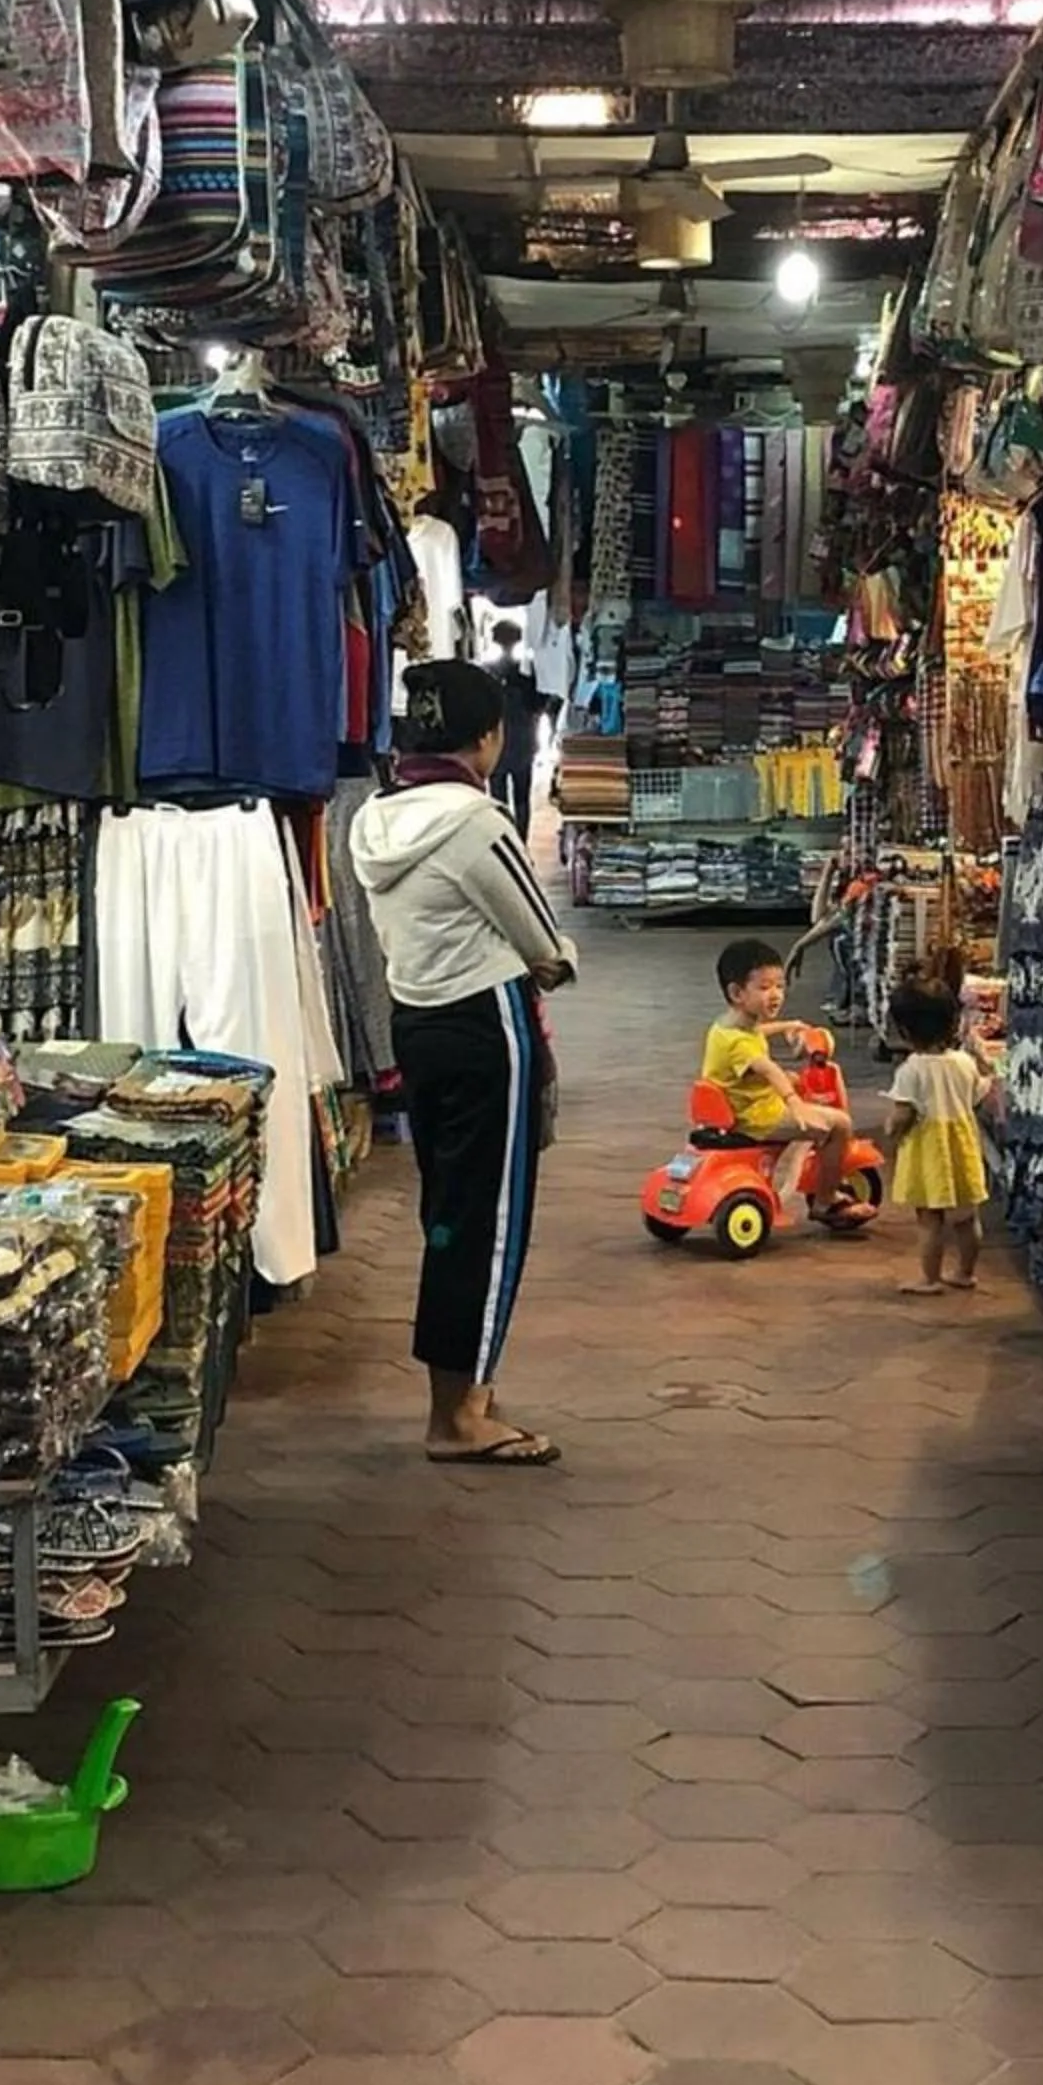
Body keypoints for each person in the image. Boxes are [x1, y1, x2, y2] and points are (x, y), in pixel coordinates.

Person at [350, 660, 577, 1466]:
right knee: (490, 1218)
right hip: (486, 1025)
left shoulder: (373, 818)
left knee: (449, 1213)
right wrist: (554, 963)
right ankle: (459, 1414)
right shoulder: (477, 823)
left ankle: (462, 1389)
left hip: (416, 1021)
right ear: (489, 737)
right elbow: (542, 941)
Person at [701, 938, 873, 1231]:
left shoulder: (727, 1026)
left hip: (738, 1104)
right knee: (840, 1125)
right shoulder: (741, 1044)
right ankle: (825, 1201)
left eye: (780, 986)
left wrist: (788, 1025)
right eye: (765, 987)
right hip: (756, 1116)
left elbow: (756, 1033)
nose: (776, 995)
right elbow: (768, 1069)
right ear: (736, 992)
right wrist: (793, 1102)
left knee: (794, 1078)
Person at [881, 974, 995, 1296]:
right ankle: (965, 1272)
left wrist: (891, 1130)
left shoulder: (911, 1070)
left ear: (904, 1031)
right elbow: (978, 1095)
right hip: (962, 1143)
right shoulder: (963, 1062)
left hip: (927, 1148)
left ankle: (929, 1278)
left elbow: (903, 1115)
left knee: (929, 1218)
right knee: (965, 1216)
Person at [485, 618, 560, 839]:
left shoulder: (487, 673)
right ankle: (522, 847)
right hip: (524, 742)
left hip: (495, 744)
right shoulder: (528, 672)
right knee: (522, 798)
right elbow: (542, 704)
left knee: (498, 800)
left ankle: (504, 844)